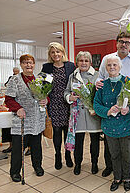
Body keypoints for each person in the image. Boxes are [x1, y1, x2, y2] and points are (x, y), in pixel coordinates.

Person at [96, 31, 130, 177]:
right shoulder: (107, 58)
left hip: (126, 115)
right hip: (110, 115)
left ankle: (126, 176)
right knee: (111, 149)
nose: (124, 45)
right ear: (116, 43)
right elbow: (99, 80)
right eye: (121, 42)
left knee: (126, 150)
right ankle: (112, 170)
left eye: (127, 42)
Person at [94, 55, 130, 192]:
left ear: (120, 66)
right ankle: (117, 178)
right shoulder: (103, 85)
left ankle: (126, 178)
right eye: (109, 65)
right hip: (109, 128)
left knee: (127, 154)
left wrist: (129, 109)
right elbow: (96, 104)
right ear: (106, 68)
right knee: (114, 154)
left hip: (126, 126)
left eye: (115, 65)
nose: (112, 67)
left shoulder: (128, 82)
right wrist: (107, 111)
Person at [5, 54, 47, 182]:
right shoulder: (15, 80)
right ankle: (15, 172)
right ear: (21, 65)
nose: (28, 65)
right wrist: (17, 108)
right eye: (25, 63)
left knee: (36, 146)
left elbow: (45, 95)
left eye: (31, 63)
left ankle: (37, 166)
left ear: (34, 65)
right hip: (22, 119)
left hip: (37, 119)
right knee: (18, 148)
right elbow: (8, 99)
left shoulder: (39, 79)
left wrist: (46, 100)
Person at [64, 51, 102, 175]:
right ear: (77, 62)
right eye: (81, 60)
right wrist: (70, 97)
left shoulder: (97, 75)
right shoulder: (72, 76)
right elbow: (66, 92)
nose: (83, 63)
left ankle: (94, 163)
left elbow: (101, 94)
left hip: (93, 113)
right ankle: (78, 164)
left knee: (94, 141)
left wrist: (96, 107)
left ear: (90, 62)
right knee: (78, 141)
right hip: (77, 113)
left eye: (86, 61)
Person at [41, 42, 75, 170]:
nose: (56, 54)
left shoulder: (70, 66)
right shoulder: (47, 67)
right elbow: (42, 85)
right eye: (53, 52)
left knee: (67, 131)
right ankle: (57, 155)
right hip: (54, 103)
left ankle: (67, 155)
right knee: (56, 131)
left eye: (58, 51)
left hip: (68, 104)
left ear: (62, 53)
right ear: (50, 54)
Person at [2, 67, 20, 153]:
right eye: (14, 71)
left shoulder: (23, 78)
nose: (15, 72)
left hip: (22, 105)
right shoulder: (11, 78)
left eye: (17, 71)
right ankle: (11, 145)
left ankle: (29, 147)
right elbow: (6, 85)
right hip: (13, 104)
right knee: (7, 123)